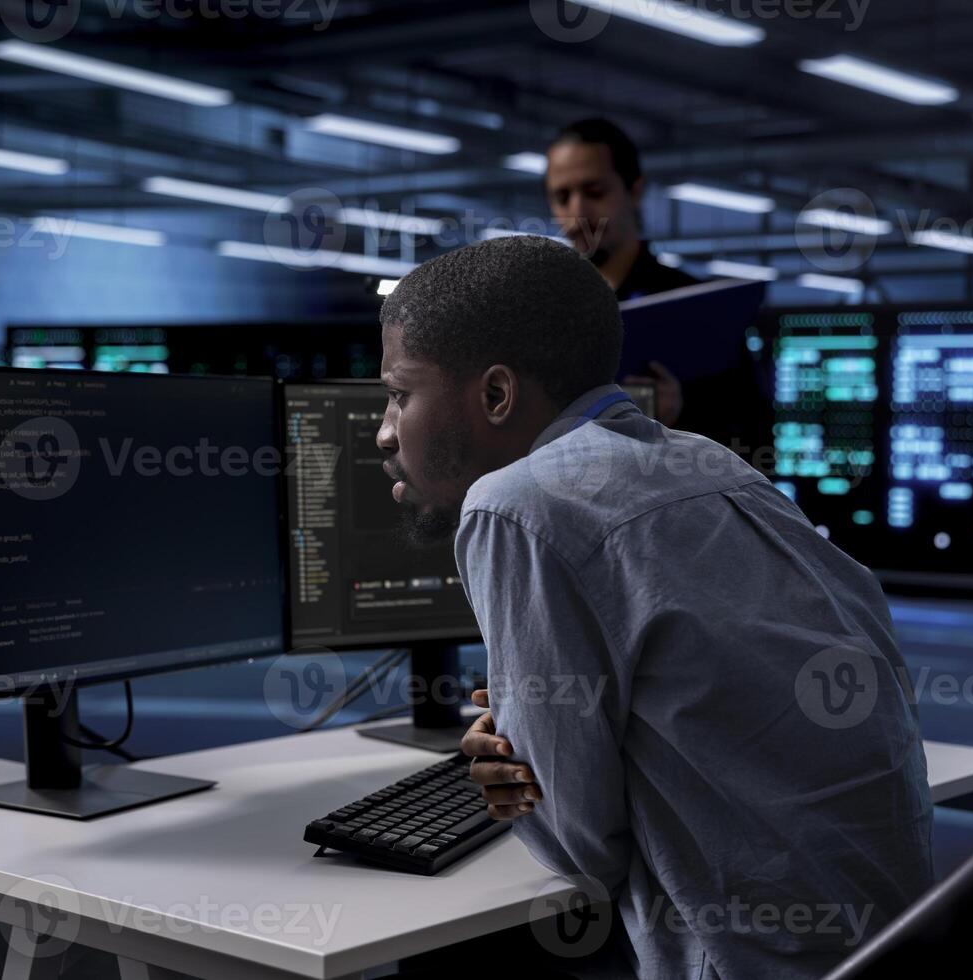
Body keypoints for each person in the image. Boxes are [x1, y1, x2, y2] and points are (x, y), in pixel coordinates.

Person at [378, 235, 932, 979]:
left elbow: (583, 855)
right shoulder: (718, 467)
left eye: (399, 394)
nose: (385, 430)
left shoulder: (516, 503)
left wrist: (511, 783)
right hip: (902, 948)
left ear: (497, 395)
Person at [545, 117, 769, 455]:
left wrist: (683, 418)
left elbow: (755, 442)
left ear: (634, 190)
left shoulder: (703, 312)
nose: (578, 210)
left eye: (594, 192)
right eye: (563, 197)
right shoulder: (548, 313)